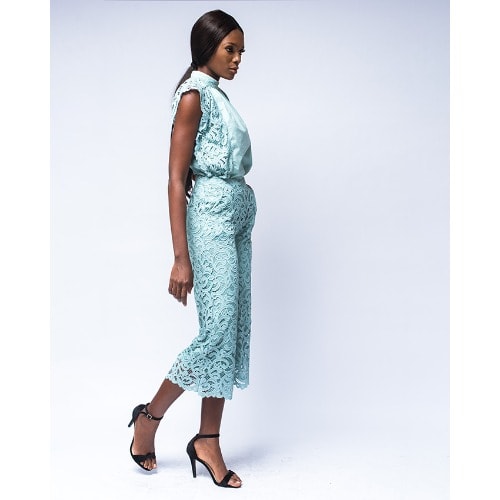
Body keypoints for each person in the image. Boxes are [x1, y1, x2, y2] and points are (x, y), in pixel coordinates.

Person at [128, 10, 256, 489]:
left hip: (237, 216)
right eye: (230, 49)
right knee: (215, 331)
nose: (238, 59)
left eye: (241, 51)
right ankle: (149, 418)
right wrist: (180, 258)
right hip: (212, 220)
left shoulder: (218, 96)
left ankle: (208, 439)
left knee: (229, 332)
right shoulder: (192, 97)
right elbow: (175, 179)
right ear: (206, 48)